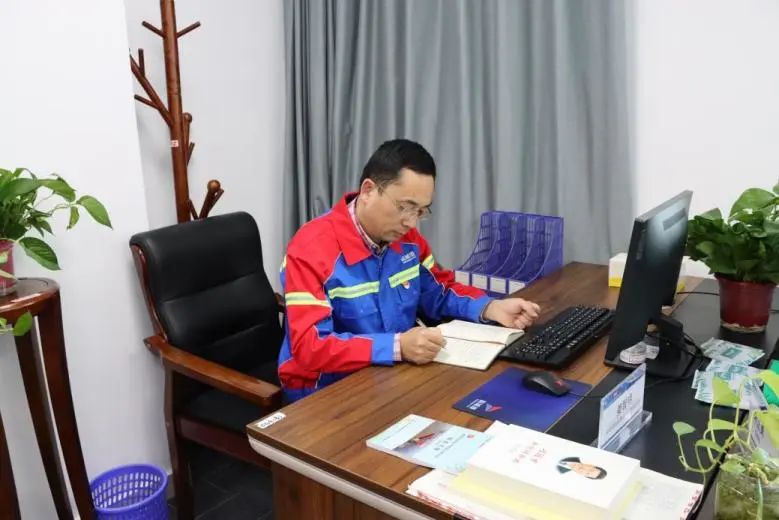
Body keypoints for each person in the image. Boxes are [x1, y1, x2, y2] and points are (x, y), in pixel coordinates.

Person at [278, 139, 540, 402]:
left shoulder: (407, 240)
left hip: (390, 374)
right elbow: (310, 346)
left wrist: (490, 308)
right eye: (404, 207)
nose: (411, 222)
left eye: (420, 211)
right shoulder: (310, 249)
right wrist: (396, 347)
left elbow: (439, 291)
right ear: (368, 191)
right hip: (324, 391)